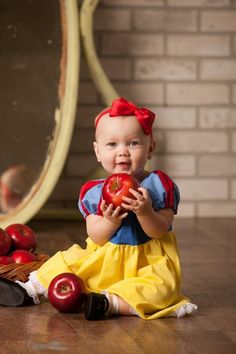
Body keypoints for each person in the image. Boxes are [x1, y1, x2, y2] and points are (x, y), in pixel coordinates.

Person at [0, 97, 197, 320]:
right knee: (67, 260)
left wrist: (146, 212)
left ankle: (108, 303)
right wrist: (110, 222)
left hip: (148, 261)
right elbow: (96, 236)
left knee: (161, 288)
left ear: (150, 148)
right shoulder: (94, 193)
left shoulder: (159, 186)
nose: (122, 152)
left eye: (133, 143)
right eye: (112, 144)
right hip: (106, 258)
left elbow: (159, 230)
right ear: (97, 152)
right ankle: (28, 290)